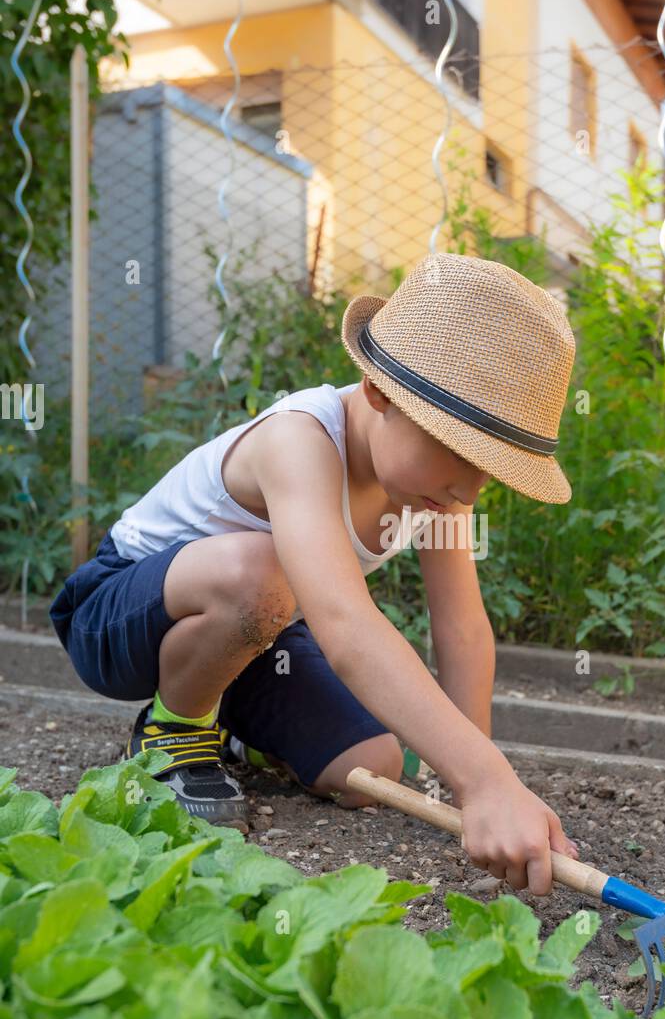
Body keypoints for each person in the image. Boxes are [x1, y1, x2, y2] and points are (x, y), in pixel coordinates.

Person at [49, 252, 580, 895]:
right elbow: (344, 623)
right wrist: (485, 779)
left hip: (256, 636)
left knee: (374, 768)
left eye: (489, 468)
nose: (469, 489)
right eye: (458, 449)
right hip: (119, 614)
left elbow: (462, 626)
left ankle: (227, 719)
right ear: (383, 391)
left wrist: (477, 779)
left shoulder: (435, 491)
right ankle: (173, 733)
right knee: (264, 571)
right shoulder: (300, 439)